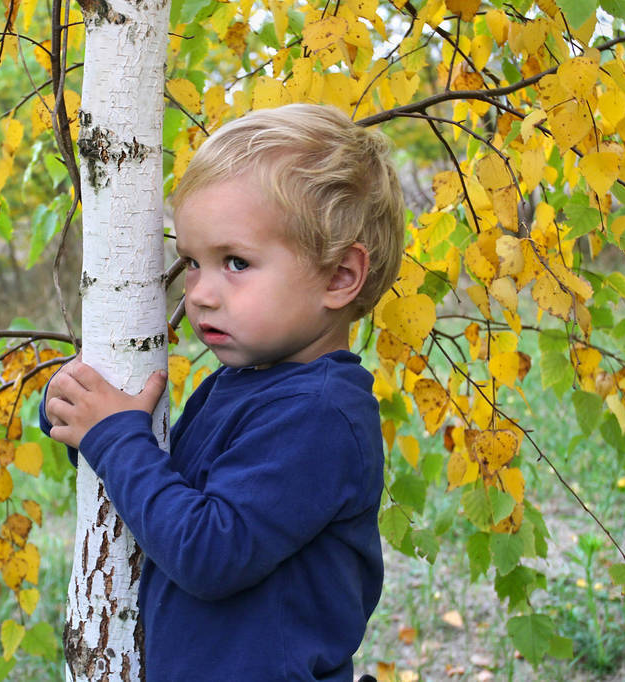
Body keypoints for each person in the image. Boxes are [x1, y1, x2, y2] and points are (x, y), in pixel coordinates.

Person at [41, 103, 406, 680]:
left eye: (235, 262)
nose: (201, 294)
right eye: (192, 261)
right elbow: (160, 492)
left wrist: (115, 440)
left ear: (340, 277)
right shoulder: (239, 385)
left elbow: (208, 551)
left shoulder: (322, 415)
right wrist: (84, 417)